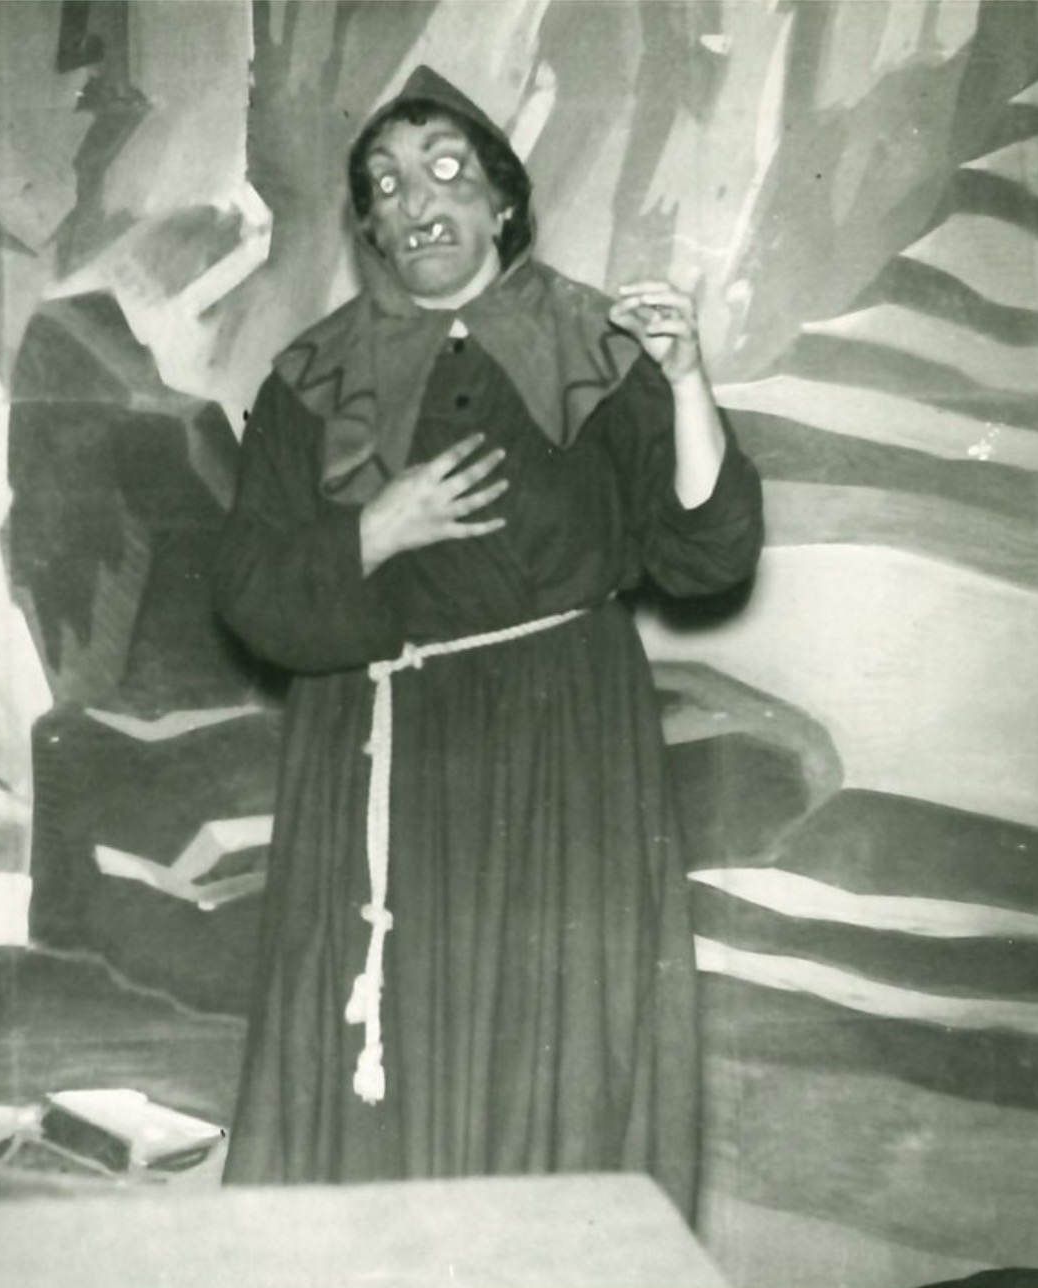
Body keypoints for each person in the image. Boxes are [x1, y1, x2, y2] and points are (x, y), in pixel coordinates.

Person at [213, 67, 763, 1220]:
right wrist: (375, 529)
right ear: (368, 229)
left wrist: (686, 383)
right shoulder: (311, 380)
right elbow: (250, 594)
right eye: (384, 184)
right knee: (381, 1061)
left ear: (502, 202)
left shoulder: (598, 344)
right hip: (374, 761)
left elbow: (705, 552)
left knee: (558, 1056)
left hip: (561, 760)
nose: (414, 198)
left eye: (445, 170)